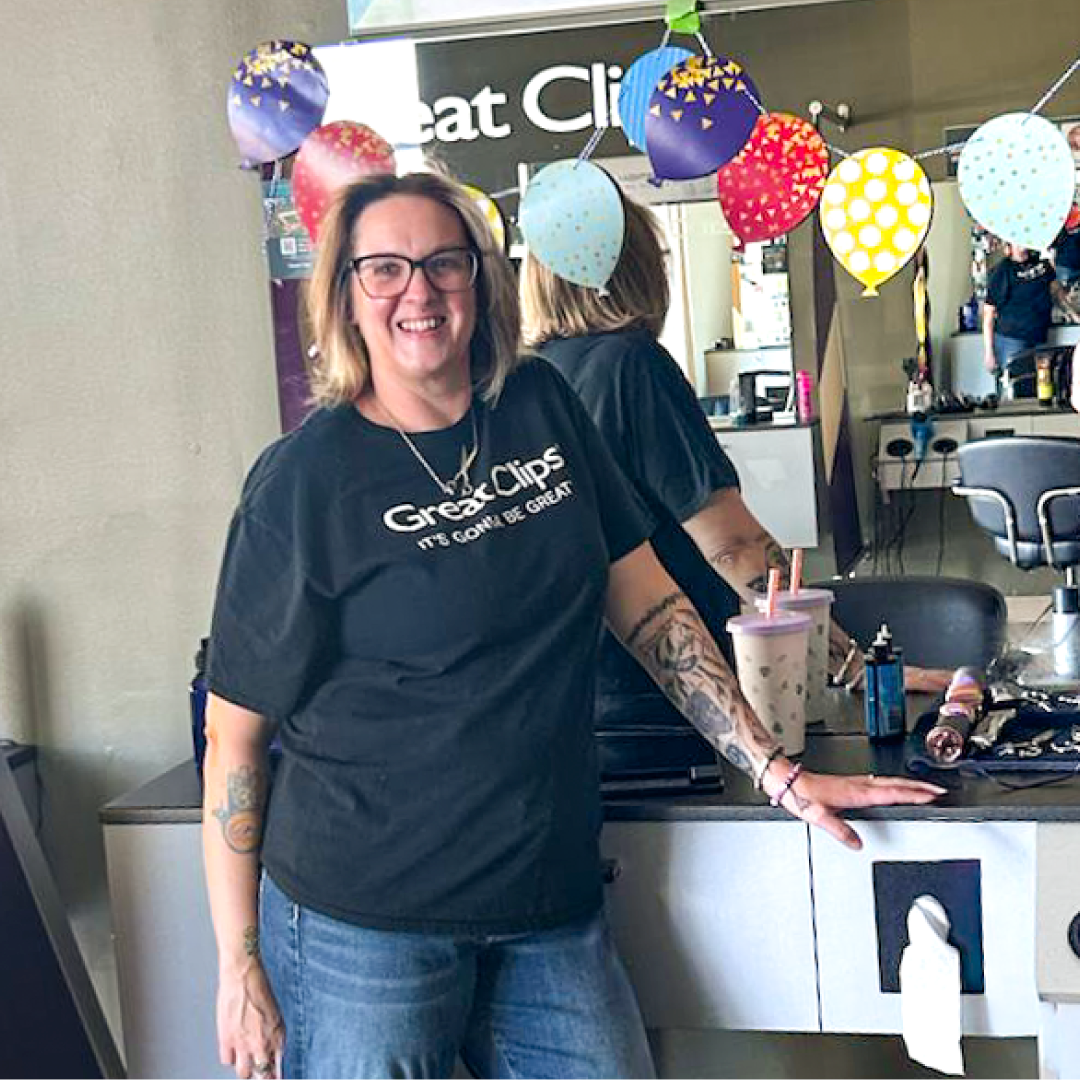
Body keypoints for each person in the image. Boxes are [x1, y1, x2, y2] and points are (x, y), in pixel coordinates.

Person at [202, 171, 944, 1080]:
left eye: (444, 263)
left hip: (545, 897)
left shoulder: (540, 406)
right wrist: (238, 962)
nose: (419, 291)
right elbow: (234, 738)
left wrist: (777, 773)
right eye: (385, 268)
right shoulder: (303, 482)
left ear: (481, 278)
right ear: (345, 294)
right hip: (365, 923)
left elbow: (650, 608)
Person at [520, 194, 950, 710]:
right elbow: (734, 545)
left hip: (578, 686)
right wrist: (854, 667)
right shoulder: (632, 365)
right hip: (668, 686)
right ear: (636, 267)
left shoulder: (530, 378)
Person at [982, 240, 1080, 391]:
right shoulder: (1002, 271)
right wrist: (989, 352)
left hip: (1038, 335)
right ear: (1009, 245)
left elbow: (1057, 293)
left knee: (1040, 385)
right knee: (1013, 386)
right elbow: (988, 314)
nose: (1022, 244)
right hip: (1012, 338)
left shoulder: (1042, 265)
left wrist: (1073, 315)